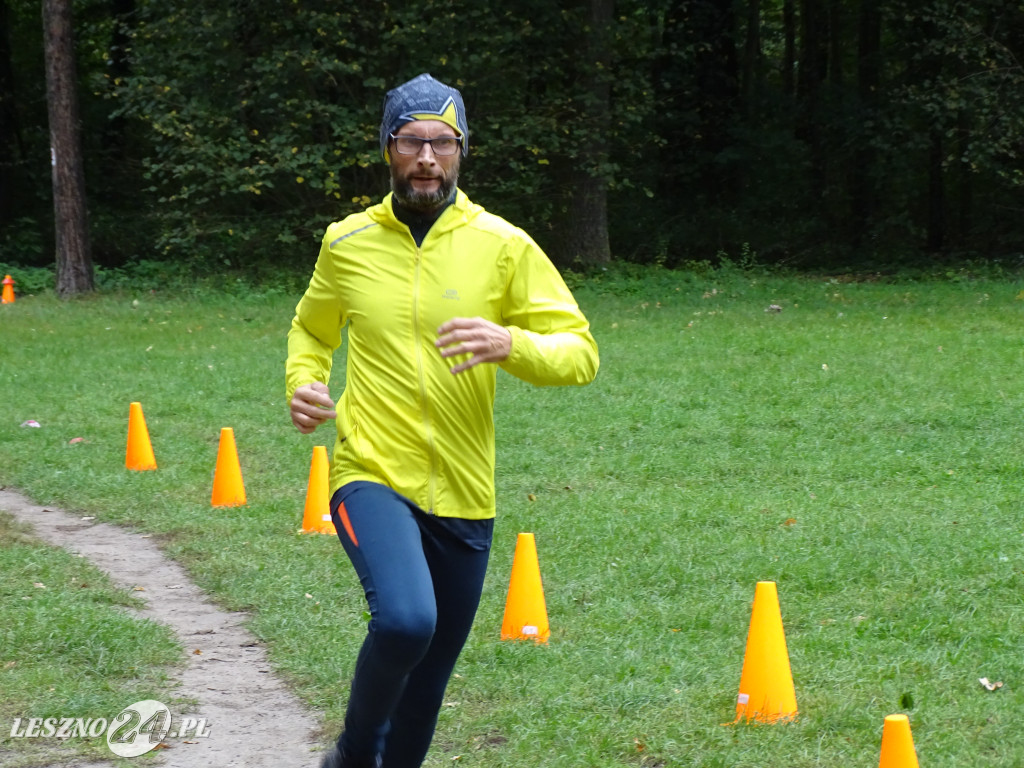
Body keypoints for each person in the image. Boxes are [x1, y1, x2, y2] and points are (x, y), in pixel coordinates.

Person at [286, 73, 599, 768]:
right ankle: (351, 751)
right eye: (411, 141)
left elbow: (580, 353)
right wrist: (304, 382)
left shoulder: (503, 245)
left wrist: (510, 343)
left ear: (461, 152)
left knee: (426, 687)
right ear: (388, 149)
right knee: (405, 622)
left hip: (465, 493)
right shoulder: (347, 243)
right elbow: (311, 331)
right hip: (370, 472)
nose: (427, 156)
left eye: (442, 142)